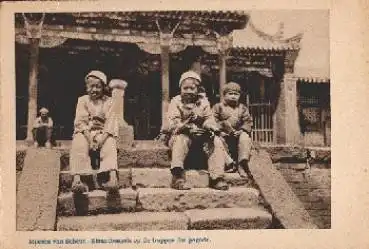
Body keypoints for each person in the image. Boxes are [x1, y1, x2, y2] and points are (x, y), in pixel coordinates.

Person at [165, 70, 229, 190]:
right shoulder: (175, 102)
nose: (188, 91)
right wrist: (187, 127)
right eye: (185, 88)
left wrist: (208, 127)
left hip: (200, 139)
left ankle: (217, 178)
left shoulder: (203, 102)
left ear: (198, 89)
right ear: (180, 89)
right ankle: (177, 177)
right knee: (181, 139)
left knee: (215, 141)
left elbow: (209, 119)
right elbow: (173, 123)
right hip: (181, 136)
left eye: (192, 88)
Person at [70, 70, 119, 194]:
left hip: (103, 133)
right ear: (87, 87)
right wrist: (90, 140)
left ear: (103, 87)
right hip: (86, 133)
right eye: (92, 86)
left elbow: (110, 124)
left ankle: (113, 178)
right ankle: (77, 179)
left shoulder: (109, 101)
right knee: (78, 143)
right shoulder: (82, 100)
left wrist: (101, 141)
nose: (95, 90)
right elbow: (80, 122)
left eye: (98, 86)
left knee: (110, 143)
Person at [212, 82, 253, 178]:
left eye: (236, 94)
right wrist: (220, 130)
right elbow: (212, 121)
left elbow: (248, 122)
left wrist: (242, 130)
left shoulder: (242, 108)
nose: (233, 96)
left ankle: (241, 164)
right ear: (224, 95)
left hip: (238, 134)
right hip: (223, 134)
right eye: (230, 94)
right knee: (216, 140)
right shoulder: (218, 107)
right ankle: (228, 164)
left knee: (245, 138)